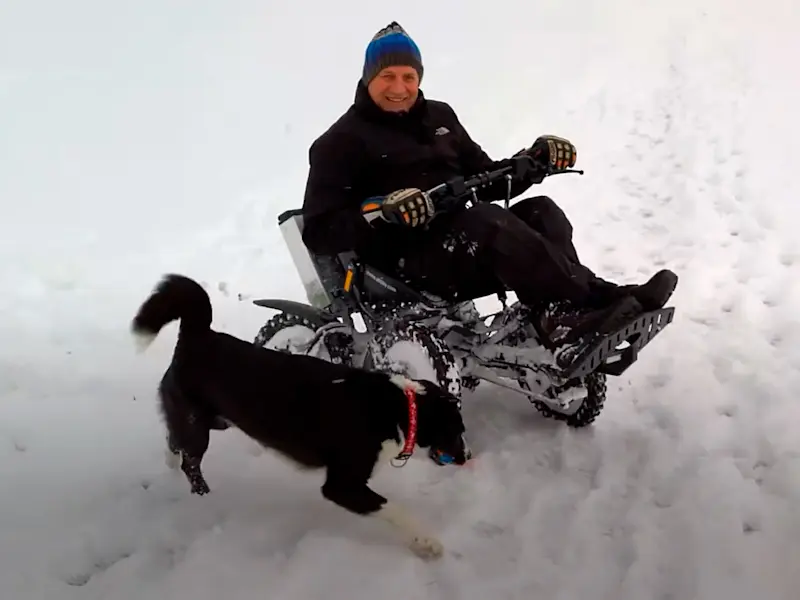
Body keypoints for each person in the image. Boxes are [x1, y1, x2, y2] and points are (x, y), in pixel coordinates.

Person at [300, 21, 678, 354]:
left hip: (461, 246)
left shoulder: (439, 117)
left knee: (542, 211)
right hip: (404, 268)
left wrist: (534, 161)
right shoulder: (339, 142)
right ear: (369, 77)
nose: (399, 88)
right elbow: (319, 232)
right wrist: (382, 211)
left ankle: (562, 314)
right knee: (486, 222)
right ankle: (592, 304)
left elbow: (482, 176)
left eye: (408, 77)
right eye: (388, 76)